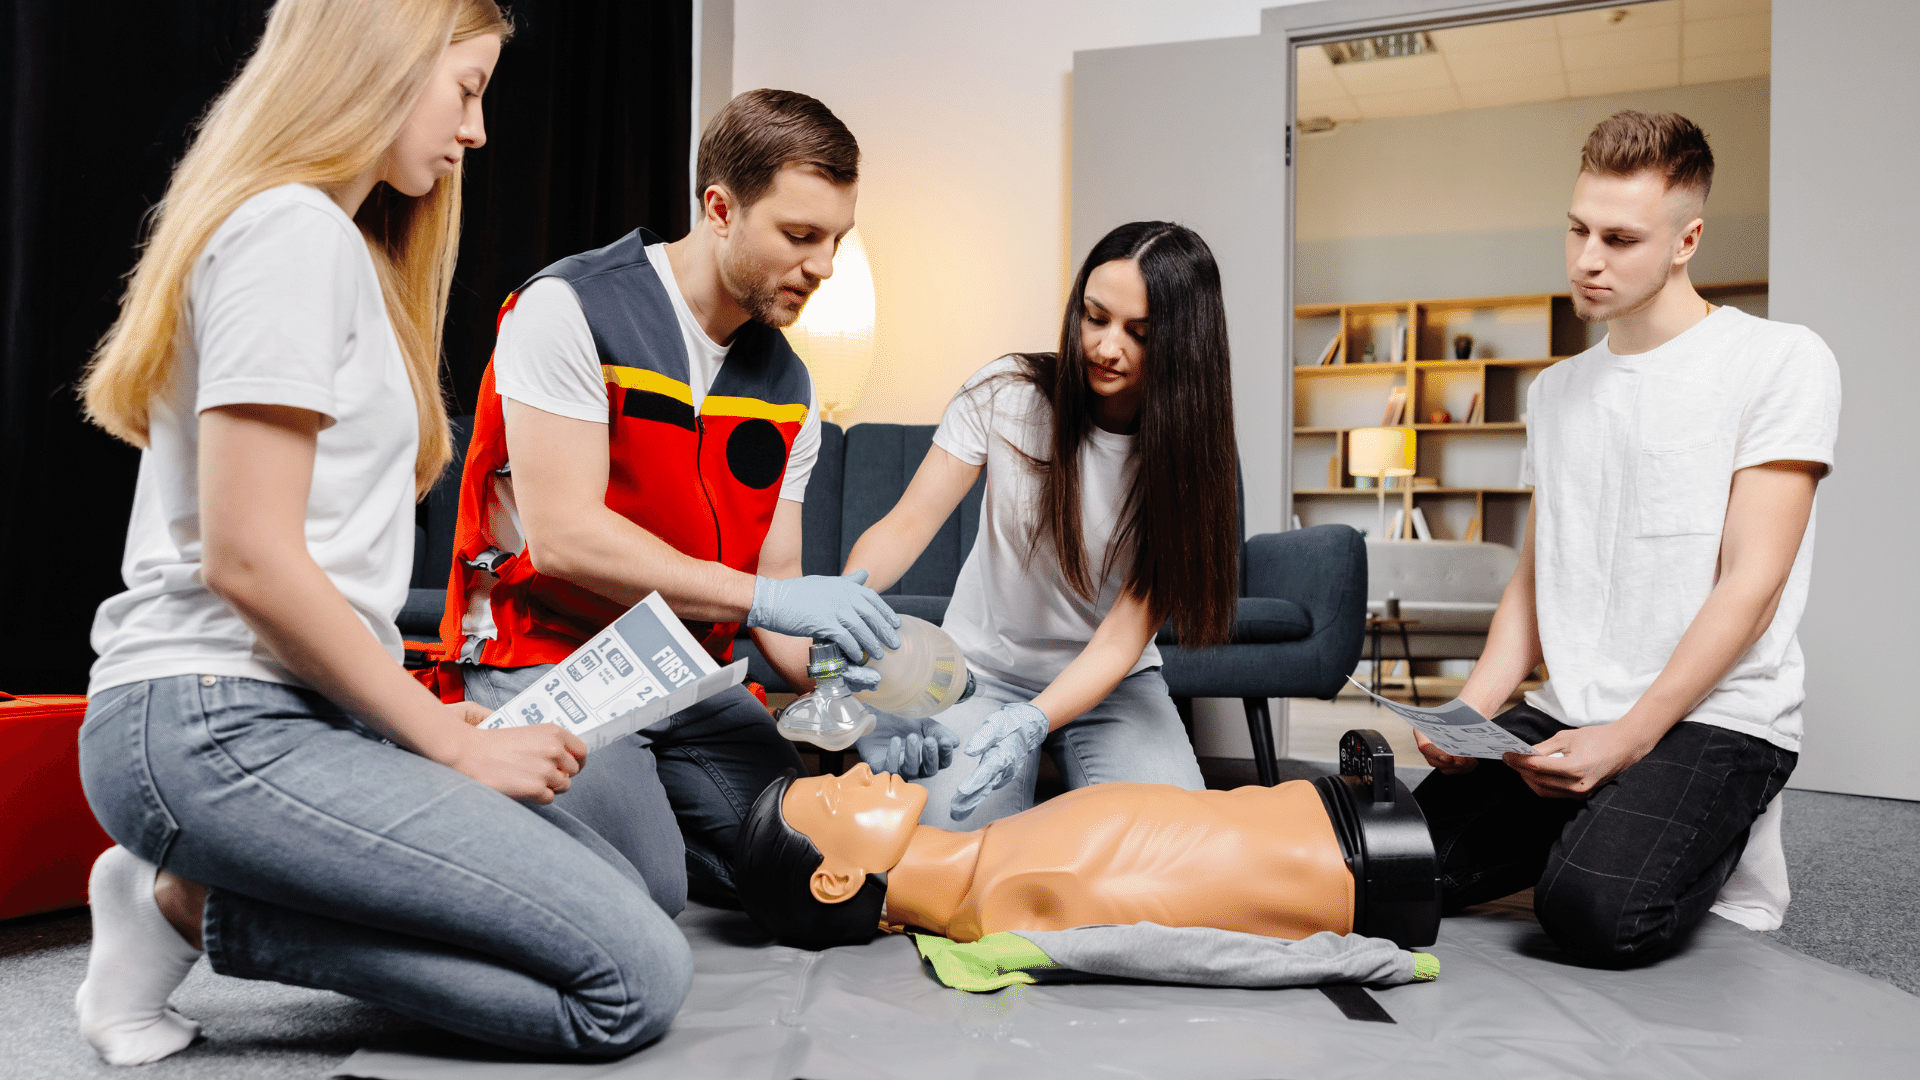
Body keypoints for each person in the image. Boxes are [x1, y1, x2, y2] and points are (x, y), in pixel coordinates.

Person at [73, 0, 692, 1066]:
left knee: (623, 899)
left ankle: (199, 889)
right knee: (629, 984)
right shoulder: (290, 234)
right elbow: (248, 556)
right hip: (210, 718)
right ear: (375, 62)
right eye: (465, 90)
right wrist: (454, 740)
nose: (478, 131)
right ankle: (186, 906)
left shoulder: (337, 246)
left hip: (296, 715)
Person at [442, 88, 899, 903]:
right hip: (552, 662)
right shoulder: (568, 310)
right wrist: (772, 599)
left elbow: (781, 589)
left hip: (689, 679)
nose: (824, 267)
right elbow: (565, 539)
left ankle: (642, 813)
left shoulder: (789, 384)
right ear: (720, 209)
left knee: (839, 869)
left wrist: (853, 681)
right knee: (645, 886)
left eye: (837, 239)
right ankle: (472, 781)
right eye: (801, 236)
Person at [1411, 110, 1839, 966]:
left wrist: (1628, 741)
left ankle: (1643, 826)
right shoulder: (1559, 388)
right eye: (1576, 229)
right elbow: (1536, 576)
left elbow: (1751, 585)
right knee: (1385, 867)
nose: (1587, 260)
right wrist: (1474, 707)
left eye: (1619, 237)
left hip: (1719, 716)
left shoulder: (1780, 359)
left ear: (1687, 240)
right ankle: (1601, 817)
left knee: (1593, 913)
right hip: (1573, 709)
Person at [841, 221, 1240, 824]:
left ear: (1185, 343)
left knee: (1172, 848)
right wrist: (843, 607)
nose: (1107, 348)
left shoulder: (1191, 456)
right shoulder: (1005, 395)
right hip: (980, 674)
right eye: (1095, 317)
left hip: (1114, 685)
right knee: (949, 848)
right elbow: (908, 522)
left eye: (1139, 332)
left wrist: (1035, 719)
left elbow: (1124, 634)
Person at [732, 762, 1394, 947]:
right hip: (1360, 862)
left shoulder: (1002, 862)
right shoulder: (1018, 895)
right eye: (834, 798)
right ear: (837, 879)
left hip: (1337, 816)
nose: (854, 774)